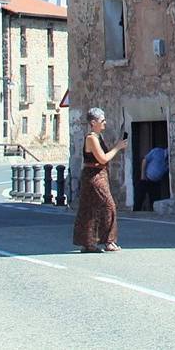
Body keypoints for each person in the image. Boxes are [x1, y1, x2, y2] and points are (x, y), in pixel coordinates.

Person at [73, 107, 126, 253]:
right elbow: (102, 158)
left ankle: (89, 243)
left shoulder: (98, 137)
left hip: (100, 173)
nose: (105, 123)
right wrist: (117, 147)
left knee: (92, 208)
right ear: (93, 122)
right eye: (102, 120)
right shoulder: (91, 138)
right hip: (94, 175)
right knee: (108, 205)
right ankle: (108, 241)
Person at [134, 143, 168, 212]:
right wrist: (143, 175)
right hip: (145, 178)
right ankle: (135, 214)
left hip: (156, 182)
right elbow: (145, 160)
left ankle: (152, 214)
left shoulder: (169, 161)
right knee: (139, 198)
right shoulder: (157, 151)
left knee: (155, 200)